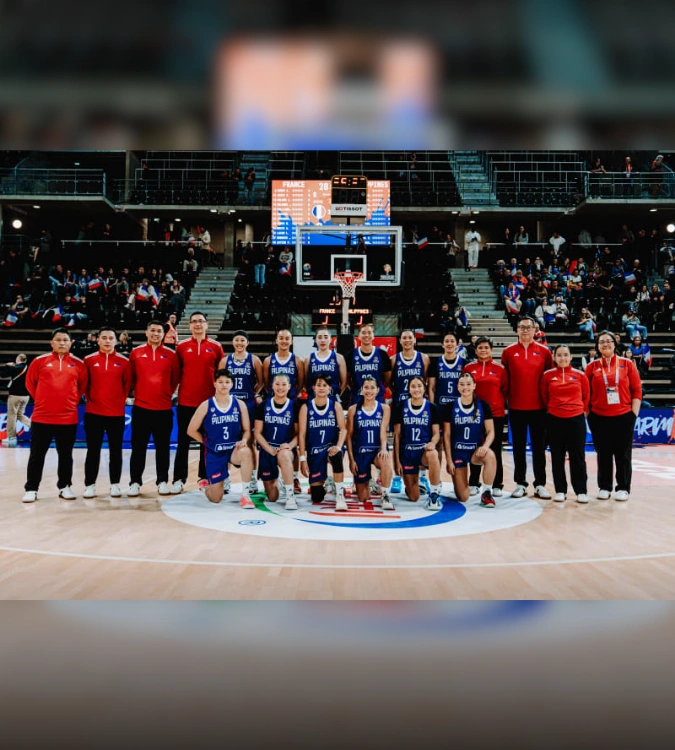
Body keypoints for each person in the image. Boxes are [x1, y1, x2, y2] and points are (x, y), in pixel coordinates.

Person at [22, 328, 88, 503]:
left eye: (65, 340)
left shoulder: (79, 364)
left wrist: (70, 401)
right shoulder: (39, 361)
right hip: (42, 417)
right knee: (37, 455)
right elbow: (30, 384)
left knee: (65, 455)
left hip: (67, 418)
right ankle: (31, 488)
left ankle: (65, 486)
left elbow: (82, 387)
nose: (62, 343)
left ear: (71, 343)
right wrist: (42, 400)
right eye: (58, 340)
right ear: (51, 342)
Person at [585, 330, 642, 501]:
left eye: (608, 341)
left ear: (615, 344)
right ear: (597, 346)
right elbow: (585, 394)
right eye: (601, 342)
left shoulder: (627, 364)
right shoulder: (592, 367)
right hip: (599, 417)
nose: (605, 344)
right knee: (603, 453)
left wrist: (633, 414)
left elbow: (637, 390)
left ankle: (623, 487)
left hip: (624, 416)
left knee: (623, 454)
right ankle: (604, 487)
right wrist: (589, 415)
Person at [500, 316, 554, 498]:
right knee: (518, 447)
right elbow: (505, 379)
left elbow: (549, 379)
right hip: (516, 407)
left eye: (528, 327)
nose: (525, 330)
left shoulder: (545, 352)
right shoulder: (508, 352)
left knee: (539, 448)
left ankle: (540, 484)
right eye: (522, 327)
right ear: (517, 329)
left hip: (539, 408)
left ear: (534, 330)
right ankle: (520, 483)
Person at [171, 312, 224, 494]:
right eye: (194, 321)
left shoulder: (216, 347)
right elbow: (176, 374)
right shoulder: (181, 347)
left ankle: (204, 477)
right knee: (182, 442)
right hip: (186, 402)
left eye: (201, 321)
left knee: (206, 442)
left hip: (208, 403)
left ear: (206, 325)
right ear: (190, 325)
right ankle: (179, 479)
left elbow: (221, 375)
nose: (198, 324)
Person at [186, 369, 254, 508]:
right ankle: (206, 487)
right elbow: (191, 430)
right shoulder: (206, 405)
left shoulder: (239, 404)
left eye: (227, 382)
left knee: (246, 452)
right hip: (215, 452)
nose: (224, 385)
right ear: (215, 384)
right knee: (216, 498)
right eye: (221, 382)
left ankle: (246, 495)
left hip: (233, 450)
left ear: (232, 384)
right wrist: (206, 442)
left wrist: (244, 440)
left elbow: (247, 430)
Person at [128, 320, 180, 498]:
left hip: (163, 409)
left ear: (163, 334)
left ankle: (162, 481)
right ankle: (135, 482)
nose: (156, 334)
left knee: (163, 448)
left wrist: (165, 394)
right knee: (138, 448)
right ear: (146, 332)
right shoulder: (136, 353)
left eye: (159, 331)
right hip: (141, 409)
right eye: (153, 330)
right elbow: (132, 378)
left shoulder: (171, 355)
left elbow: (174, 379)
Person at [82, 327, 132, 499]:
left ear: (116, 341)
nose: (107, 341)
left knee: (115, 451)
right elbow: (84, 384)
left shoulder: (124, 362)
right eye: (104, 337)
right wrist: (92, 400)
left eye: (111, 338)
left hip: (116, 414)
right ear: (98, 340)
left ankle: (115, 484)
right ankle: (90, 485)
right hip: (94, 413)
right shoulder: (88, 360)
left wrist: (117, 402)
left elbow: (127, 385)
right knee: (93, 451)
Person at [540, 345, 590, 504]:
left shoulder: (580, 375)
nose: (563, 358)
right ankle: (560, 490)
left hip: (576, 420)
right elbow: (544, 397)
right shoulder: (547, 376)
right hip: (555, 419)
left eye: (566, 355)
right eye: (559, 355)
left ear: (571, 357)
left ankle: (581, 491)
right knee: (557, 456)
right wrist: (556, 409)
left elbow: (586, 397)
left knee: (578, 456)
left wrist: (576, 410)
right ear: (554, 357)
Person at [463, 337, 509, 498]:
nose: (483, 350)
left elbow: (505, 390)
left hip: (495, 415)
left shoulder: (500, 369)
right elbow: (465, 389)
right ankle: (474, 482)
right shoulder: (468, 368)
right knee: (475, 448)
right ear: (475, 350)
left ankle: (496, 484)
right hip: (474, 415)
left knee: (495, 449)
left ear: (491, 350)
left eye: (486, 347)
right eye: (480, 348)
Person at [220, 330, 264, 495]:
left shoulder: (254, 360)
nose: (239, 343)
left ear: (247, 343)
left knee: (250, 442)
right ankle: (225, 478)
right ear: (233, 342)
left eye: (242, 340)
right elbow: (219, 381)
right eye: (237, 340)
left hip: (248, 404)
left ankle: (252, 478)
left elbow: (261, 381)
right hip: (230, 405)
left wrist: (253, 393)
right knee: (227, 441)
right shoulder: (225, 360)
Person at [442, 372, 497, 507]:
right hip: (458, 452)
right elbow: (446, 435)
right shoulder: (450, 406)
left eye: (468, 384)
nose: (465, 387)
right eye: (462, 384)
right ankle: (459, 483)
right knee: (463, 497)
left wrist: (485, 446)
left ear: (474, 386)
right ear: (457, 387)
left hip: (475, 451)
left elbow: (491, 431)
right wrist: (449, 460)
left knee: (490, 456)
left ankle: (487, 493)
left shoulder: (483, 405)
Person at [298, 375, 348, 511]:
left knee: (336, 455)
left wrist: (338, 446)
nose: (321, 388)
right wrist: (302, 458)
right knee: (317, 496)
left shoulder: (335, 406)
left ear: (330, 388)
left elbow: (343, 429)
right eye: (319, 385)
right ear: (313, 388)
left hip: (330, 447)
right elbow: (301, 435)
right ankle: (328, 484)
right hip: (314, 450)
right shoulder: (306, 407)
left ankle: (339, 495)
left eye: (325, 385)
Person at [392, 376, 443, 510]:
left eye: (419, 386)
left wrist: (432, 443)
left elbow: (436, 433)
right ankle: (413, 484)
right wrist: (397, 462)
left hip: (423, 451)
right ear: (409, 389)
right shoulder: (401, 406)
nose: (416, 389)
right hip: (407, 453)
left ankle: (434, 493)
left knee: (433, 453)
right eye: (413, 386)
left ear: (424, 388)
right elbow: (397, 437)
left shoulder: (432, 407)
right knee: (414, 497)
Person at [346, 375, 394, 508]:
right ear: (361, 389)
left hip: (377, 451)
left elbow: (383, 431)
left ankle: (385, 495)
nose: (369, 391)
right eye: (366, 387)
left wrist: (383, 448)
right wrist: (351, 460)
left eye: (372, 388)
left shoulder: (384, 408)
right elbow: (349, 436)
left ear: (378, 390)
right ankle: (370, 481)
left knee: (385, 460)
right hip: (360, 453)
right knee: (363, 497)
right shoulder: (353, 409)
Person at [254, 374, 299, 510]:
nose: (280, 387)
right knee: (272, 497)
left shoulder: (294, 406)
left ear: (289, 387)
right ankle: (279, 479)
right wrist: (269, 449)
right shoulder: (263, 405)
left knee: (284, 455)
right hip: (268, 450)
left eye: (284, 384)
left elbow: (299, 434)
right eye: (277, 384)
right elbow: (257, 433)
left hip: (285, 450)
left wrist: (289, 446)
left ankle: (290, 495)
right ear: (272, 386)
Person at [350, 323, 392, 404]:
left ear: (373, 336)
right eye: (363, 333)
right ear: (359, 336)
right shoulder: (351, 355)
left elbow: (388, 381)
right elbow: (347, 380)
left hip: (377, 398)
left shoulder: (382, 354)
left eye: (369, 333)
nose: (366, 335)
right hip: (357, 397)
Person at [305, 326, 347, 403]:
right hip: (313, 399)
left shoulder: (339, 358)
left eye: (326, 337)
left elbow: (344, 382)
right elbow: (305, 383)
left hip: (332, 399)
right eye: (320, 337)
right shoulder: (309, 358)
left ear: (330, 339)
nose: (323, 340)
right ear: (315, 340)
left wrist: (335, 394)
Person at [390, 329, 430, 405]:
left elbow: (424, 379)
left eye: (410, 337)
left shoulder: (424, 358)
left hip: (419, 402)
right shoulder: (393, 359)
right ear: (400, 340)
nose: (407, 340)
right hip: (399, 401)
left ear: (415, 340)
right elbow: (389, 383)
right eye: (404, 338)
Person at [427, 331, 465, 408]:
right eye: (446, 341)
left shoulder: (464, 363)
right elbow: (432, 388)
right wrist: (432, 407)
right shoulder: (435, 363)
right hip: (440, 404)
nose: (449, 344)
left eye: (452, 341)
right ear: (442, 344)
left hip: (459, 406)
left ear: (457, 345)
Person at [0, 353, 31, 447]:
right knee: (20, 415)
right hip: (26, 396)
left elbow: (2, 375)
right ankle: (37, 428)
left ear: (18, 359)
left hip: (15, 396)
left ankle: (11, 438)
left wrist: (7, 365)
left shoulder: (15, 368)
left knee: (12, 416)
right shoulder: (29, 368)